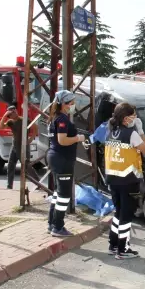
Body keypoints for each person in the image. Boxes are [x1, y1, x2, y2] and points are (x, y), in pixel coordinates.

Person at [104, 102, 145, 260]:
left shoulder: (110, 131)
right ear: (126, 118)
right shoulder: (131, 134)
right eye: (133, 116)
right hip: (128, 180)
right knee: (126, 215)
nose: (135, 118)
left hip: (113, 179)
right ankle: (123, 249)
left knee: (119, 212)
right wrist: (141, 130)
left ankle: (113, 244)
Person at [46, 90, 86, 237]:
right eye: (71, 103)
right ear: (63, 104)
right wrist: (78, 138)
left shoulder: (54, 117)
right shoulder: (62, 119)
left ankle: (52, 224)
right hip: (62, 159)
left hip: (56, 157)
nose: (73, 105)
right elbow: (62, 140)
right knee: (64, 194)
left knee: (58, 193)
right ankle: (58, 226)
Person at [0, 105, 40, 190]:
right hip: (14, 146)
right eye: (12, 112)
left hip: (23, 146)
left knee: (26, 166)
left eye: (15, 111)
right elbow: (1, 127)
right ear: (9, 115)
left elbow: (35, 126)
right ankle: (9, 185)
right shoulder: (10, 121)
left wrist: (31, 138)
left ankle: (38, 183)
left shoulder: (23, 120)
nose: (14, 113)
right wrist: (4, 115)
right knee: (10, 165)